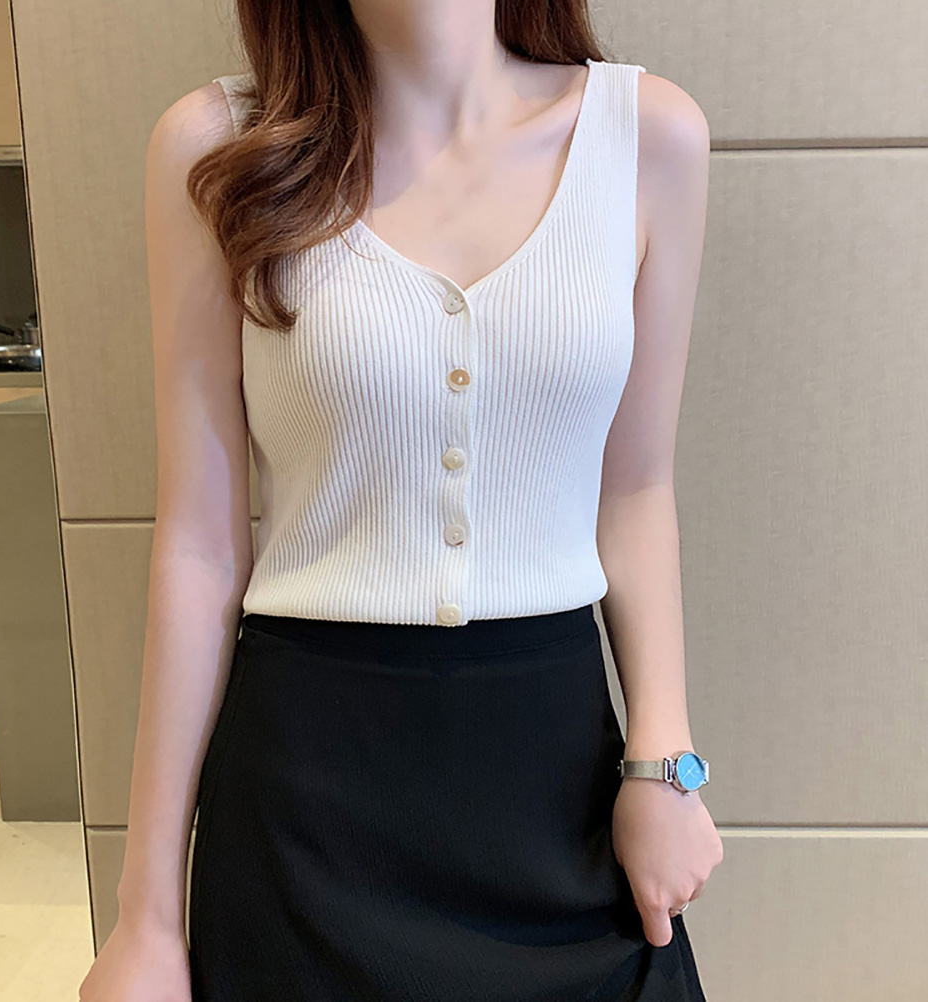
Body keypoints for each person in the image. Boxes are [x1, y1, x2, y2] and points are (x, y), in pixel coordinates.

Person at [79, 1, 723, 999]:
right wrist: (145, 919)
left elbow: (635, 490)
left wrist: (664, 762)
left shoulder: (649, 137)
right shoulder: (219, 148)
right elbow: (199, 546)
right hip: (306, 805)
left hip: (557, 779)